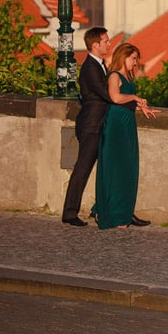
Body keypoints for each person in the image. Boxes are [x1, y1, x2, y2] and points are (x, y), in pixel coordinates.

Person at [92, 41, 158, 229]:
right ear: (124, 56)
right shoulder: (114, 75)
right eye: (133, 58)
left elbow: (125, 99)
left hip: (126, 123)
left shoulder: (127, 77)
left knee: (127, 169)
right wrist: (135, 98)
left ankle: (122, 213)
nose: (135, 62)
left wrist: (140, 106)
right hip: (115, 125)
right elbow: (115, 97)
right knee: (115, 169)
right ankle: (112, 214)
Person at [60, 26, 112, 226]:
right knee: (83, 168)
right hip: (91, 124)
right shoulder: (90, 66)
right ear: (95, 44)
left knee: (104, 169)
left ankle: (102, 210)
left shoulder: (99, 64)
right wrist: (127, 100)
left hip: (98, 122)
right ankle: (70, 212)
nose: (109, 43)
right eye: (106, 41)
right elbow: (102, 92)